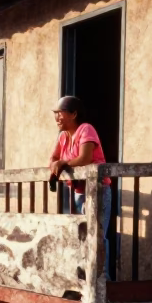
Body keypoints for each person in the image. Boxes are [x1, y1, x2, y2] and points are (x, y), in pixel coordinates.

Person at [48, 95, 114, 277]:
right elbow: (53, 158)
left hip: (98, 190)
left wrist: (63, 163)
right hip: (77, 192)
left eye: (60, 113)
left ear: (74, 114)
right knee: (78, 236)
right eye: (56, 114)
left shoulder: (86, 129)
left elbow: (85, 158)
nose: (57, 118)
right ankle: (82, 277)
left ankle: (102, 281)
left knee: (98, 236)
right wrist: (57, 163)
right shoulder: (63, 137)